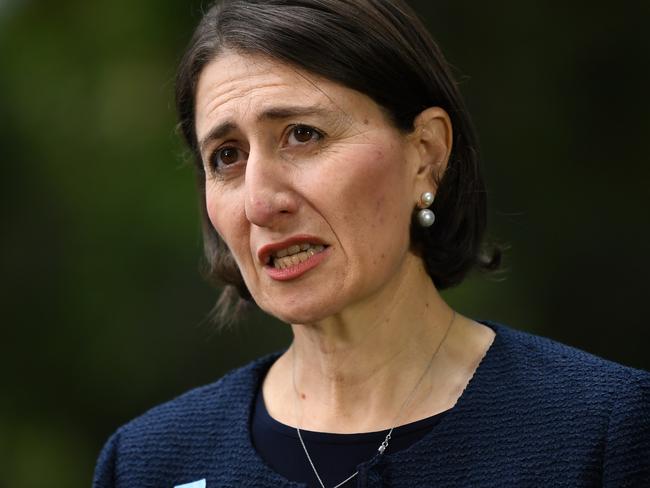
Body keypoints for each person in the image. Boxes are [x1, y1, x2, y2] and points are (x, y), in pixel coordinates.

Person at [93, 0, 650, 486]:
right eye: (227, 157)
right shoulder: (149, 464)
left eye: (303, 135)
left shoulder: (601, 434)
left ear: (426, 153)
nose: (261, 202)